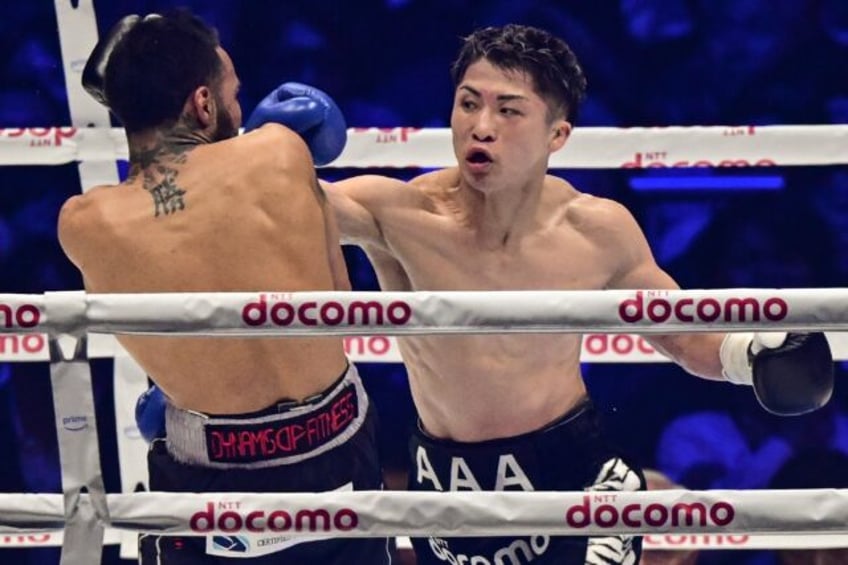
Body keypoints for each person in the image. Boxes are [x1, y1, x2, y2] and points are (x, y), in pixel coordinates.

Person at [135, 22, 834, 564]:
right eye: (468, 104)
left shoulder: (595, 230)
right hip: (443, 487)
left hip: (576, 475)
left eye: (508, 110)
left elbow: (682, 332)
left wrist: (752, 352)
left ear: (558, 133)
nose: (482, 125)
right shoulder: (397, 212)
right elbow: (259, 216)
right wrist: (253, 147)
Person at [56, 10, 392, 564]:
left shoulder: (83, 224)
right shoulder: (279, 150)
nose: (240, 108)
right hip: (333, 443)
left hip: (204, 467)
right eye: (233, 94)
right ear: (203, 104)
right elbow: (341, 304)